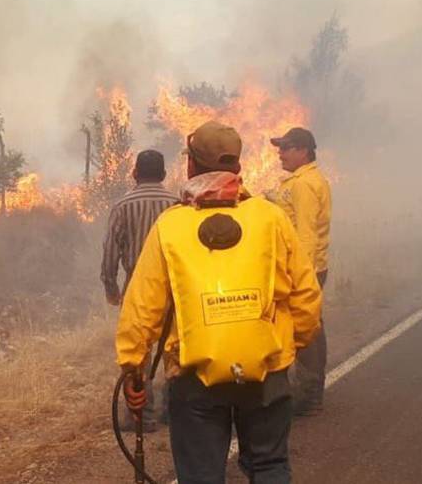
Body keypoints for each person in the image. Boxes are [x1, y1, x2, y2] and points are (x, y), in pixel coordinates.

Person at [116, 120, 322, 484]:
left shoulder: (171, 225)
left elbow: (142, 307)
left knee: (201, 476)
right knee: (269, 466)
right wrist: (288, 347)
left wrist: (133, 366)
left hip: (195, 377)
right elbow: (306, 295)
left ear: (191, 165)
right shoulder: (271, 217)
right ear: (238, 166)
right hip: (266, 369)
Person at [100, 148, 178, 430]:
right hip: (175, 288)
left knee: (138, 352)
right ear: (164, 174)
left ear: (135, 173)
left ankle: (142, 415)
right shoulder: (178, 206)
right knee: (175, 348)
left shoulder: (123, 206)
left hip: (138, 289)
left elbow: (110, 252)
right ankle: (175, 410)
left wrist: (111, 288)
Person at [269, 127, 332, 416]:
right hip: (307, 267)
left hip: (305, 268)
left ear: (303, 151)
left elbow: (306, 233)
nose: (280, 153)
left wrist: (300, 274)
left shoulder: (304, 185)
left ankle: (309, 395)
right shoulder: (301, 181)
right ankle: (308, 390)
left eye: (285, 148)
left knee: (307, 329)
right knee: (309, 326)